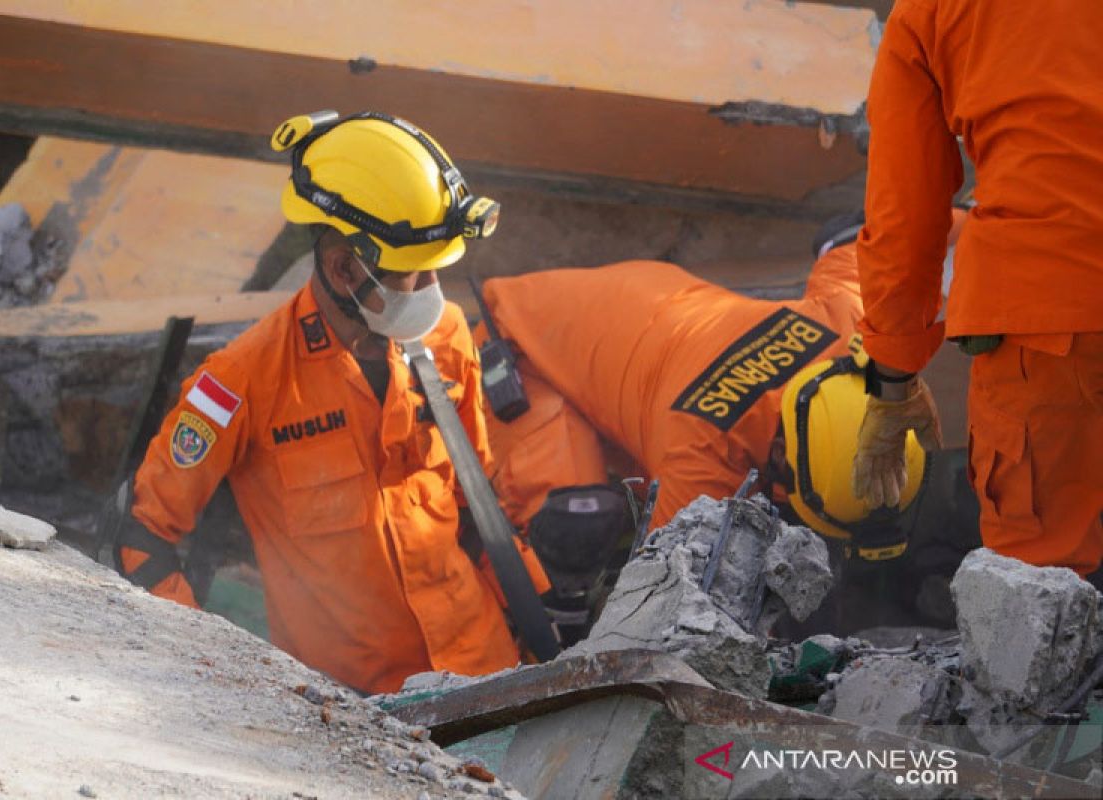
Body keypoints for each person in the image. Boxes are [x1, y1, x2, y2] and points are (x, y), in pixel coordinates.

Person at [114, 111, 548, 695]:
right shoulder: (242, 380)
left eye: (435, 276)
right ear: (345, 267)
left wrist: (542, 623)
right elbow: (141, 538)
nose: (431, 297)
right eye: (412, 279)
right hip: (358, 712)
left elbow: (480, 505)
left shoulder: (446, 337)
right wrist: (211, 680)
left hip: (486, 672)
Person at [475, 215, 965, 570]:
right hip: (520, 346)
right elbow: (662, 599)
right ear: (779, 456)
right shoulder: (700, 457)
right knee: (576, 534)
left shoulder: (850, 322)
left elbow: (907, 228)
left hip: (648, 306)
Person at [852, 0, 1103, 578]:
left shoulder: (928, 11)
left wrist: (892, 382)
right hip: (1042, 312)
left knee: (1041, 592)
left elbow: (903, 219)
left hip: (1042, 318)